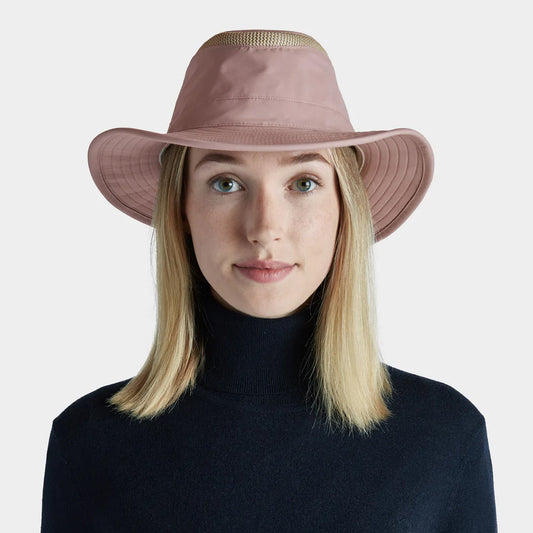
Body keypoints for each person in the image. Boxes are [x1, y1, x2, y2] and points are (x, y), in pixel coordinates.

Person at [40, 29, 498, 532]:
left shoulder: (443, 439)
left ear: (344, 211)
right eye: (226, 183)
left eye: (303, 183)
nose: (264, 227)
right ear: (181, 210)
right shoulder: (89, 444)